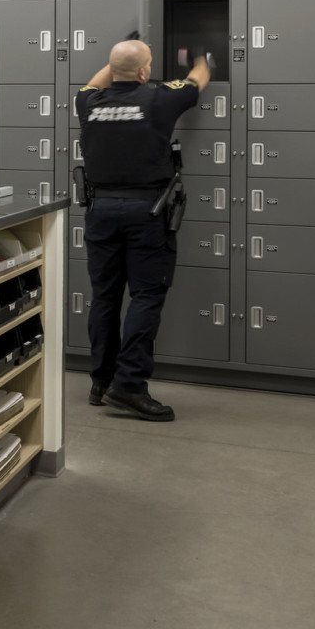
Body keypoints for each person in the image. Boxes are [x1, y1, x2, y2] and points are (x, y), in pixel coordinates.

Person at [75, 40, 210, 421]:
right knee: (147, 295)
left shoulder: (88, 103)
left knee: (104, 297)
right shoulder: (158, 100)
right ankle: (130, 385)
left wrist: (121, 57)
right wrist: (201, 57)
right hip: (145, 212)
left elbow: (95, 80)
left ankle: (101, 382)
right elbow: (198, 80)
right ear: (145, 72)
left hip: (101, 210)